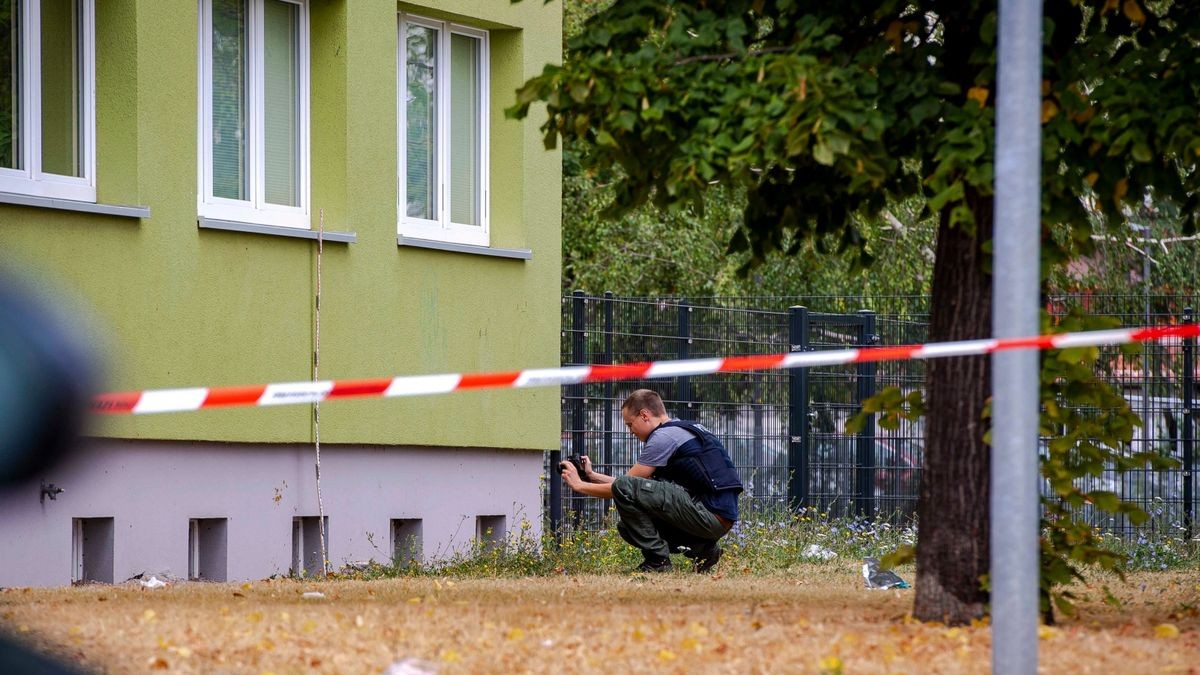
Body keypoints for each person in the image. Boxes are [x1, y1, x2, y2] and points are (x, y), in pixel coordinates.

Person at [559, 389, 743, 573]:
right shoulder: (681, 429)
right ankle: (703, 551)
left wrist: (579, 485)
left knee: (626, 491)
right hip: (718, 518)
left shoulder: (663, 438)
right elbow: (632, 486)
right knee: (627, 527)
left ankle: (658, 562)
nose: (631, 432)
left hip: (708, 515)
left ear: (644, 415)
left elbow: (625, 486)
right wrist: (592, 476)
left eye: (630, 425)